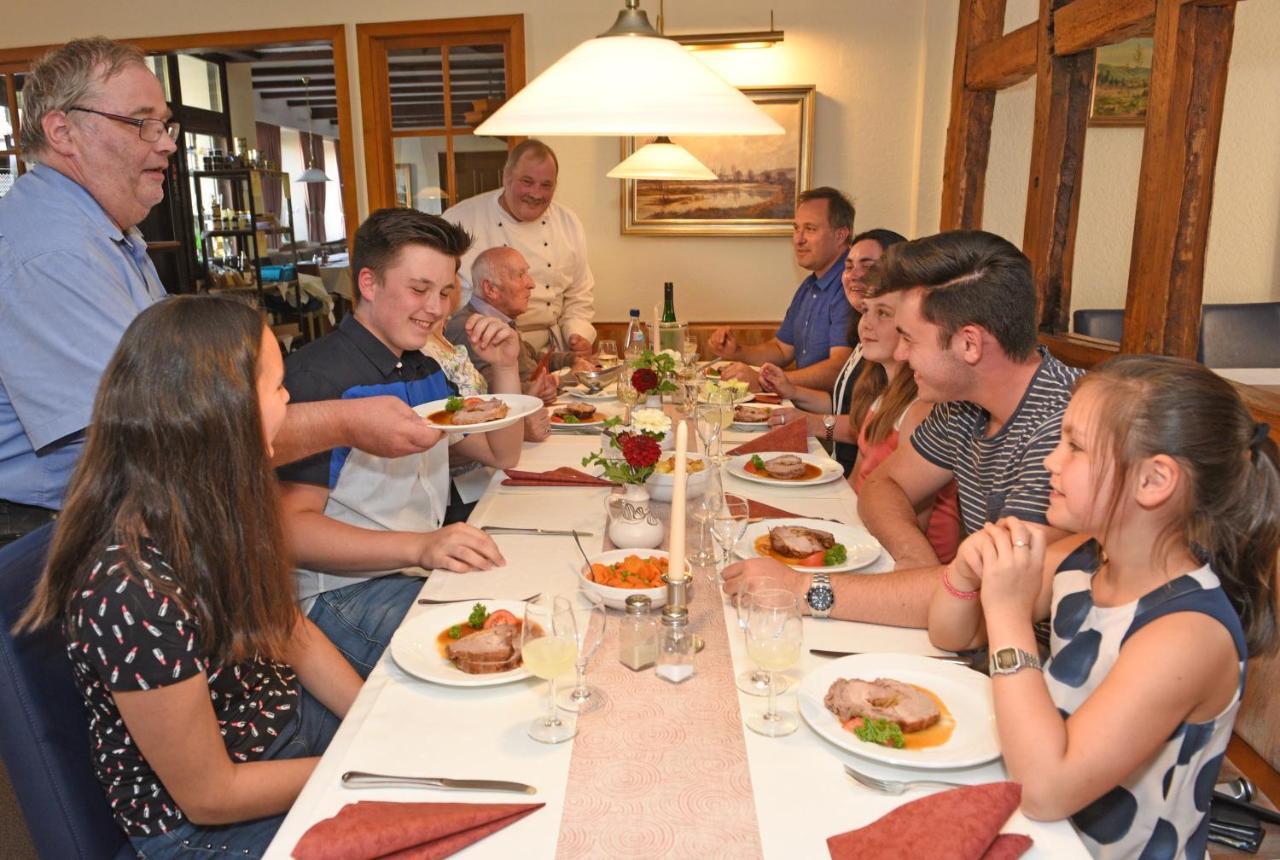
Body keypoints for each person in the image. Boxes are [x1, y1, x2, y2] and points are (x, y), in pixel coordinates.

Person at [0, 38, 439, 546]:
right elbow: (153, 436)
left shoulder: (105, 234)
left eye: (165, 124)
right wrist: (342, 421)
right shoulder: (55, 254)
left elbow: (181, 389)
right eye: (141, 123)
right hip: (47, 533)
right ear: (63, 131)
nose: (166, 143)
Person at [18, 296, 361, 857]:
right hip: (206, 827)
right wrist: (359, 762)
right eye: (277, 387)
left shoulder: (212, 504)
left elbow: (287, 627)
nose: (288, 399)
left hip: (282, 733)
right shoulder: (130, 589)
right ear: (225, 413)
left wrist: (368, 718)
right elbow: (211, 796)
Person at [928, 355, 1279, 858]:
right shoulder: (1086, 555)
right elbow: (951, 634)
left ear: (1154, 481)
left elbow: (1047, 790)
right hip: (1044, 828)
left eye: (1075, 446)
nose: (1052, 460)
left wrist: (1006, 617)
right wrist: (965, 573)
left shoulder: (1188, 633)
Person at [723, 230, 1081, 628]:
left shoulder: (1066, 429)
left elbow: (990, 597)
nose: (899, 353)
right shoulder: (962, 403)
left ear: (969, 345)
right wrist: (915, 559)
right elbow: (883, 485)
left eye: (910, 338)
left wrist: (802, 589)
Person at [277, 208, 524, 676]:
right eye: (419, 289)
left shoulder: (423, 366)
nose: (436, 309)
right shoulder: (318, 378)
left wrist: (505, 366)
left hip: (415, 568)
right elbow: (290, 531)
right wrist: (421, 546)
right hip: (338, 594)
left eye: (446, 291)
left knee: (524, 604)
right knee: (493, 657)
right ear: (368, 284)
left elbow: (501, 454)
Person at [760, 228, 906, 475]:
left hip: (857, 477)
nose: (854, 275)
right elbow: (843, 404)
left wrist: (811, 423)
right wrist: (792, 390)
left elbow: (874, 427)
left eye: (868, 266)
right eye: (848, 266)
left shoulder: (891, 346)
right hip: (842, 469)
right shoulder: (864, 336)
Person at [442, 139, 596, 358]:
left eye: (546, 185)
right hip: (482, 348)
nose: (536, 193)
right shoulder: (460, 220)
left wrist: (577, 333)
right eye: (527, 181)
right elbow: (441, 293)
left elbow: (579, 292)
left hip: (554, 349)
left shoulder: (568, 223)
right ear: (506, 177)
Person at [845, 285, 960, 563]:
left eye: (883, 313)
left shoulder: (921, 409)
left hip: (902, 559)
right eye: (865, 311)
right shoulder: (879, 391)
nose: (867, 324)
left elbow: (914, 521)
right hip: (866, 532)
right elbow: (854, 483)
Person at [709, 187, 855, 393]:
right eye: (796, 228)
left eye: (810, 229)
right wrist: (738, 351)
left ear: (840, 235)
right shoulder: (809, 286)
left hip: (831, 420)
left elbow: (839, 370)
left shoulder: (851, 287)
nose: (798, 239)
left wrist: (767, 380)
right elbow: (781, 349)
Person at [445, 245, 593, 405]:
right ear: (490, 289)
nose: (531, 284)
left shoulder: (499, 318)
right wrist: (570, 379)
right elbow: (495, 395)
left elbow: (531, 359)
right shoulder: (470, 327)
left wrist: (573, 360)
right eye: (521, 275)